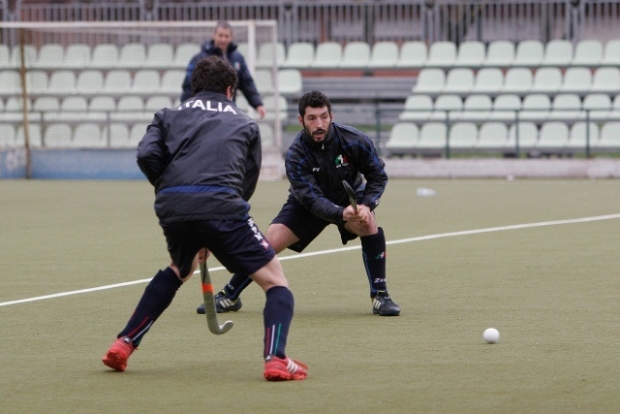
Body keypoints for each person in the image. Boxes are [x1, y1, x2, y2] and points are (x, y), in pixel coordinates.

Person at [102, 56, 307, 381]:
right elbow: (246, 181)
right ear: (230, 90)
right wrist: (217, 220)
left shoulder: (167, 114)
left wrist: (172, 190)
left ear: (194, 87)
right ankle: (276, 358)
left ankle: (125, 342)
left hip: (173, 206)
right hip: (223, 206)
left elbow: (145, 155)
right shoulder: (245, 123)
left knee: (179, 269)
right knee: (275, 281)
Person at [197, 90, 401, 317]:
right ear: (301, 120)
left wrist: (365, 204)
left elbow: (378, 176)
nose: (319, 123)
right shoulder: (296, 154)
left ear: (331, 116)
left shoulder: (355, 140)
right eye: (312, 118)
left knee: (368, 223)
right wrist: (339, 213)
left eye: (324, 116)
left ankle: (381, 296)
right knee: (268, 243)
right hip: (306, 205)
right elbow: (310, 198)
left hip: (348, 199)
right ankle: (229, 295)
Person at [180, 20, 266, 119]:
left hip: (227, 113)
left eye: (226, 36)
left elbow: (247, 83)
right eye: (220, 35)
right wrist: (186, 109)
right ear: (214, 35)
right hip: (203, 115)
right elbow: (188, 85)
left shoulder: (237, 58)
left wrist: (258, 104)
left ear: (231, 37)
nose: (223, 39)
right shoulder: (199, 59)